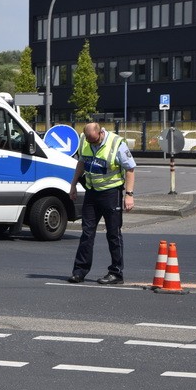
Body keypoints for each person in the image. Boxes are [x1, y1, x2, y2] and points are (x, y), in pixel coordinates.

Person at [67, 122, 136, 285]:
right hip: (92, 193)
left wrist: (129, 195)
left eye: (94, 140)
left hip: (111, 193)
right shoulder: (85, 140)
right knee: (87, 232)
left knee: (113, 234)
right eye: (88, 140)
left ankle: (116, 273)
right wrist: (73, 185)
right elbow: (81, 163)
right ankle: (79, 271)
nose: (91, 143)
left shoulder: (117, 143)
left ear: (100, 133)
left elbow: (130, 168)